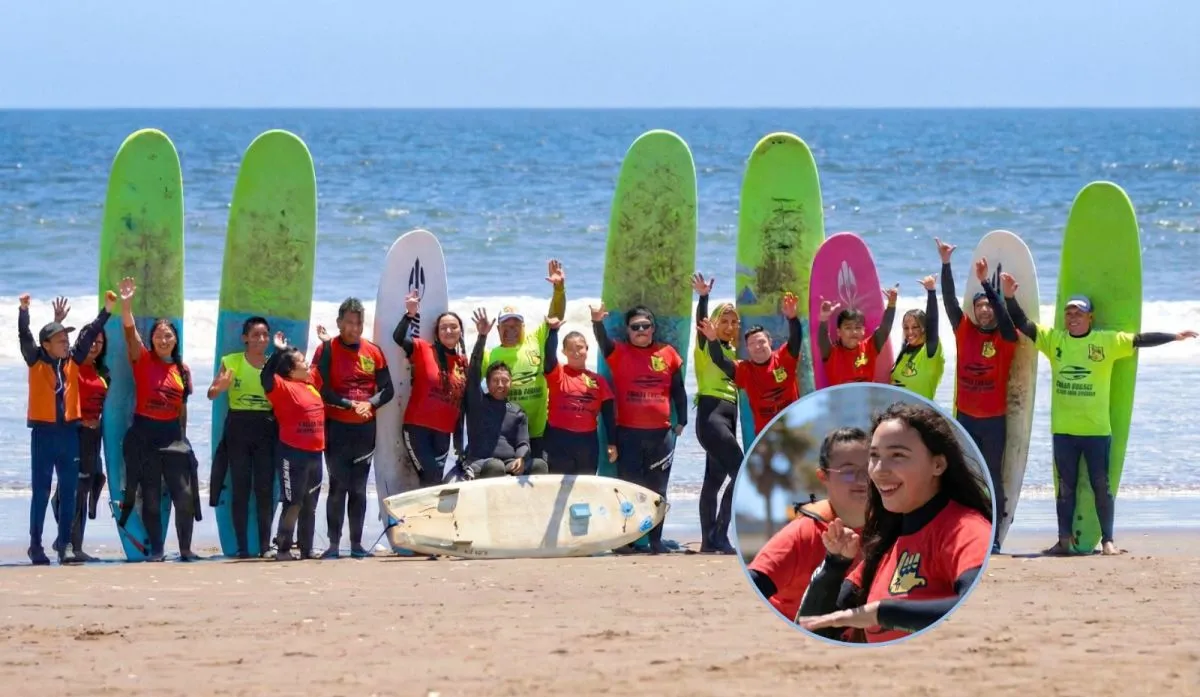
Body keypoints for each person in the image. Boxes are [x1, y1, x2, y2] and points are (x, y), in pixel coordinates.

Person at [1001, 273, 1197, 556]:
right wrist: (1009, 296)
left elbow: (1140, 339)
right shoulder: (1054, 340)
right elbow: (1023, 324)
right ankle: (1064, 541)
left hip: (1096, 430)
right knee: (1065, 488)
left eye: (1079, 312)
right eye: (1069, 312)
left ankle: (1108, 541)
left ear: (1090, 317)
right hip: (1064, 429)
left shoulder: (1106, 342)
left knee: (1100, 486)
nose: (1073, 317)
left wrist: (1174, 337)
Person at [796, 402, 993, 644]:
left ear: (938, 464)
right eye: (874, 456)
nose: (879, 470)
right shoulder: (885, 547)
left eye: (897, 455)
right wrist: (834, 565)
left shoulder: (966, 529)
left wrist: (883, 613)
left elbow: (978, 608)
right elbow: (813, 629)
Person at [937, 238, 1019, 553]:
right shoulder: (964, 331)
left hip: (994, 421)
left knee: (992, 477)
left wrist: (986, 284)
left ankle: (994, 537)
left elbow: (1006, 317)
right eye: (979, 305)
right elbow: (948, 301)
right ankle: (963, 533)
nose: (984, 310)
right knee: (962, 477)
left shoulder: (1007, 338)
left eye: (989, 305)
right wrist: (946, 264)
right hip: (965, 418)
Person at [20, 292, 111, 564]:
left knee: (70, 489)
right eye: (60, 339)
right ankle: (36, 546)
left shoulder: (72, 360)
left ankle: (65, 544)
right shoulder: (35, 359)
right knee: (41, 491)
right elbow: (24, 335)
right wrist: (23, 311)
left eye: (66, 339)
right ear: (46, 344)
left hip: (70, 434)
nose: (66, 343)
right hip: (44, 435)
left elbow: (91, 332)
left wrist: (107, 309)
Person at [114, 277, 200, 562]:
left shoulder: (182, 369)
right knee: (150, 496)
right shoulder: (143, 359)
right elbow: (129, 331)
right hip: (145, 434)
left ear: (175, 340)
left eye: (169, 336)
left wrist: (184, 439)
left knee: (184, 496)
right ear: (152, 339)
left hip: (173, 436)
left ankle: (186, 549)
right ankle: (158, 551)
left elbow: (182, 407)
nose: (164, 340)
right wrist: (127, 303)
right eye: (159, 335)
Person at [591, 302, 687, 554]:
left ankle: (655, 541)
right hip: (629, 433)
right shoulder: (619, 352)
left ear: (653, 329)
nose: (641, 330)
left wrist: (683, 421)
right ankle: (626, 540)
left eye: (646, 325)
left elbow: (678, 390)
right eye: (636, 327)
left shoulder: (668, 353)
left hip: (661, 434)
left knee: (659, 488)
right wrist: (597, 321)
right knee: (628, 488)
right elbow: (602, 342)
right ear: (628, 331)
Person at [746, 427, 871, 622]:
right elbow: (754, 584)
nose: (862, 480)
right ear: (824, 477)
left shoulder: (891, 527)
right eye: (848, 472)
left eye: (868, 469)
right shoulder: (804, 533)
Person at [310, 298, 395, 559]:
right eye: (349, 322)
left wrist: (369, 404)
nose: (354, 328)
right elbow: (321, 389)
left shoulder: (373, 352)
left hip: (364, 431)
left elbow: (388, 389)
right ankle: (334, 544)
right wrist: (350, 405)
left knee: (359, 488)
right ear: (339, 323)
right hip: (336, 428)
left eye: (358, 323)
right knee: (337, 486)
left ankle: (356, 545)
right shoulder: (326, 350)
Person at [207, 316, 277, 559]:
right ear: (244, 338)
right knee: (241, 487)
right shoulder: (232, 361)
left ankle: (266, 546)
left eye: (264, 335)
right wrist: (222, 386)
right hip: (238, 426)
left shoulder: (273, 363)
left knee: (265, 489)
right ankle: (242, 548)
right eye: (255, 335)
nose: (261, 339)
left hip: (266, 427)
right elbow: (211, 393)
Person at [482, 260, 566, 460]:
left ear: (523, 326)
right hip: (506, 434)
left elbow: (555, 317)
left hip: (539, 430)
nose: (511, 330)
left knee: (540, 477)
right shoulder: (489, 355)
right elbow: (469, 392)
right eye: (506, 326)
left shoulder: (535, 339)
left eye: (516, 325)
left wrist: (559, 289)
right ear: (498, 329)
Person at [49, 298, 112, 563]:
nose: (95, 344)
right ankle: (67, 543)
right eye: (92, 340)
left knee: (89, 484)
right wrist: (59, 323)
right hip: (73, 432)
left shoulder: (102, 372)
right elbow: (53, 352)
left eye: (100, 341)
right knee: (73, 489)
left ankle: (74, 543)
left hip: (92, 436)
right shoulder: (70, 365)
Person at [698, 291, 804, 438]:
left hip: (794, 429)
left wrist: (792, 318)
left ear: (770, 343)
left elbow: (796, 340)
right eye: (752, 344)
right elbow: (719, 360)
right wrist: (712, 339)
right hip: (767, 438)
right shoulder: (744, 370)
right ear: (747, 349)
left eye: (761, 342)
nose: (758, 346)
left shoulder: (784, 359)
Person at [689, 273, 743, 554]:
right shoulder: (704, 343)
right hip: (711, 416)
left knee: (714, 481)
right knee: (742, 472)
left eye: (734, 322)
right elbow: (702, 323)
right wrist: (703, 297)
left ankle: (709, 541)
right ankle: (720, 534)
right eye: (724, 320)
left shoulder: (735, 351)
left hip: (729, 418)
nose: (729, 326)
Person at [461, 309, 550, 479]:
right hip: (481, 462)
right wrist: (482, 337)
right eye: (495, 381)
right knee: (495, 467)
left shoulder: (516, 411)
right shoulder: (478, 403)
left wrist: (521, 457)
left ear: (511, 383)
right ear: (487, 383)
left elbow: (523, 442)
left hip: (509, 462)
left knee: (539, 465)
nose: (500, 385)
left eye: (505, 381)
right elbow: (473, 373)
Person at [260, 332, 326, 561]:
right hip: (292, 453)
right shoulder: (282, 386)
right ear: (289, 370)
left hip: (316, 455)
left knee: (310, 504)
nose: (306, 363)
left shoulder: (310, 384)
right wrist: (278, 351)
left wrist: (325, 343)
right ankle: (284, 549)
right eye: (300, 361)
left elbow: (321, 362)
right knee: (293, 502)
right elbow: (265, 377)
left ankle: (307, 549)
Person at [394, 291, 468, 486]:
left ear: (461, 332)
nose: (449, 331)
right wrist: (410, 314)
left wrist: (461, 445)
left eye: (454, 327)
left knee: (433, 481)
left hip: (444, 434)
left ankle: (425, 516)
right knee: (432, 477)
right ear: (437, 333)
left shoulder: (463, 363)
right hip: (418, 429)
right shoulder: (423, 349)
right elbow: (399, 337)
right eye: (444, 328)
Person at [542, 317, 617, 476]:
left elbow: (609, 416)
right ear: (563, 352)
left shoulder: (598, 381)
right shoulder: (558, 374)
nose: (576, 352)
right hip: (558, 438)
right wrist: (553, 331)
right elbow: (548, 357)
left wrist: (612, 443)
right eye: (570, 349)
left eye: (580, 348)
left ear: (587, 349)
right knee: (556, 487)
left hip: (587, 441)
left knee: (585, 486)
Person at [816, 286, 898, 386]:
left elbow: (884, 329)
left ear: (864, 331)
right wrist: (824, 318)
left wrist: (891, 305)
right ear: (839, 332)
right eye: (848, 328)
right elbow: (822, 339)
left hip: (866, 400)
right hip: (841, 401)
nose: (854, 332)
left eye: (858, 328)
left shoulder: (870, 347)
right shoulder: (831, 353)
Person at [890, 276, 945, 400]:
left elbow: (932, 322)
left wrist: (931, 292)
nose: (910, 332)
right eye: (906, 327)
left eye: (915, 327)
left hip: (922, 415)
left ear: (923, 328)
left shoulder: (929, 351)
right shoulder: (904, 352)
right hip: (900, 413)